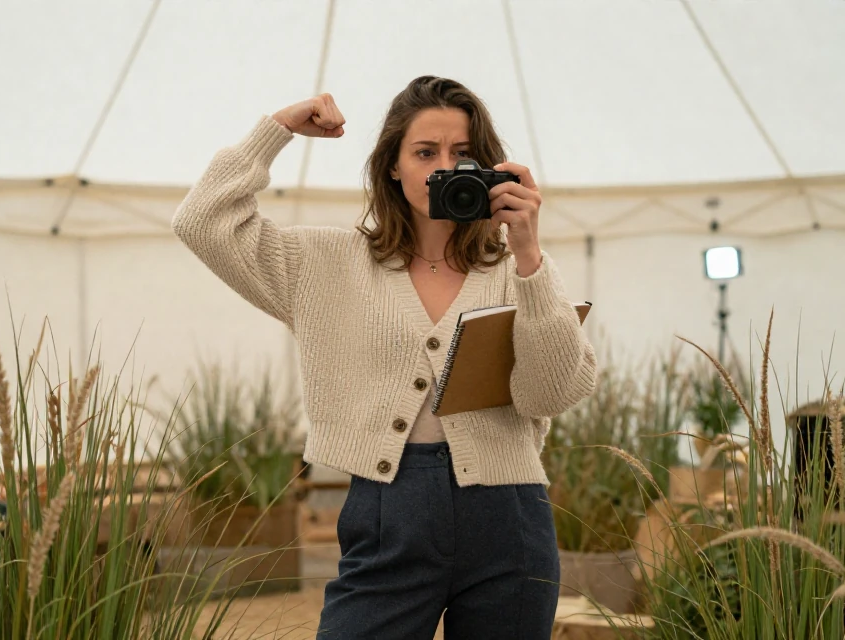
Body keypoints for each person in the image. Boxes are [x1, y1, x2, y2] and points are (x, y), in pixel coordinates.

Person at [171, 76, 597, 639]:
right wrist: (275, 132)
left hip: (508, 518)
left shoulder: (520, 272)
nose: (443, 167)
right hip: (386, 513)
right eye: (425, 152)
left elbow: (552, 393)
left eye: (462, 154)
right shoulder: (323, 263)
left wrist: (528, 254)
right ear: (392, 165)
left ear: (489, 169)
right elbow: (201, 221)